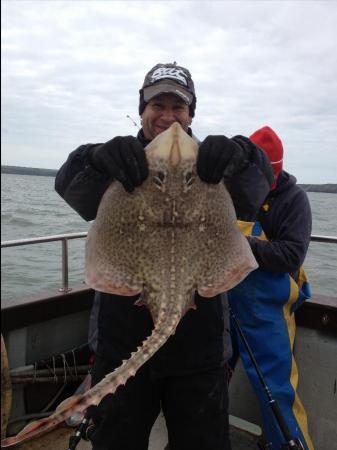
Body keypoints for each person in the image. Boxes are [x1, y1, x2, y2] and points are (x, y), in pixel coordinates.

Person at [55, 62, 273, 450]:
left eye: (179, 106)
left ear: (191, 114)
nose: (168, 116)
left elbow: (257, 188)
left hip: (199, 348)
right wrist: (93, 158)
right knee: (116, 442)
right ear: (142, 109)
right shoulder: (120, 158)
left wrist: (242, 155)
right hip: (123, 338)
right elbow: (70, 186)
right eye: (158, 105)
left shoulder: (212, 163)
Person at [227, 126, 314, 449]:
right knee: (207, 379)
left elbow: (291, 254)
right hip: (223, 297)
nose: (263, 186)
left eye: (269, 179)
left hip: (267, 308)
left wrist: (238, 244)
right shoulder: (231, 189)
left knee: (277, 391)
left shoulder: (294, 200)